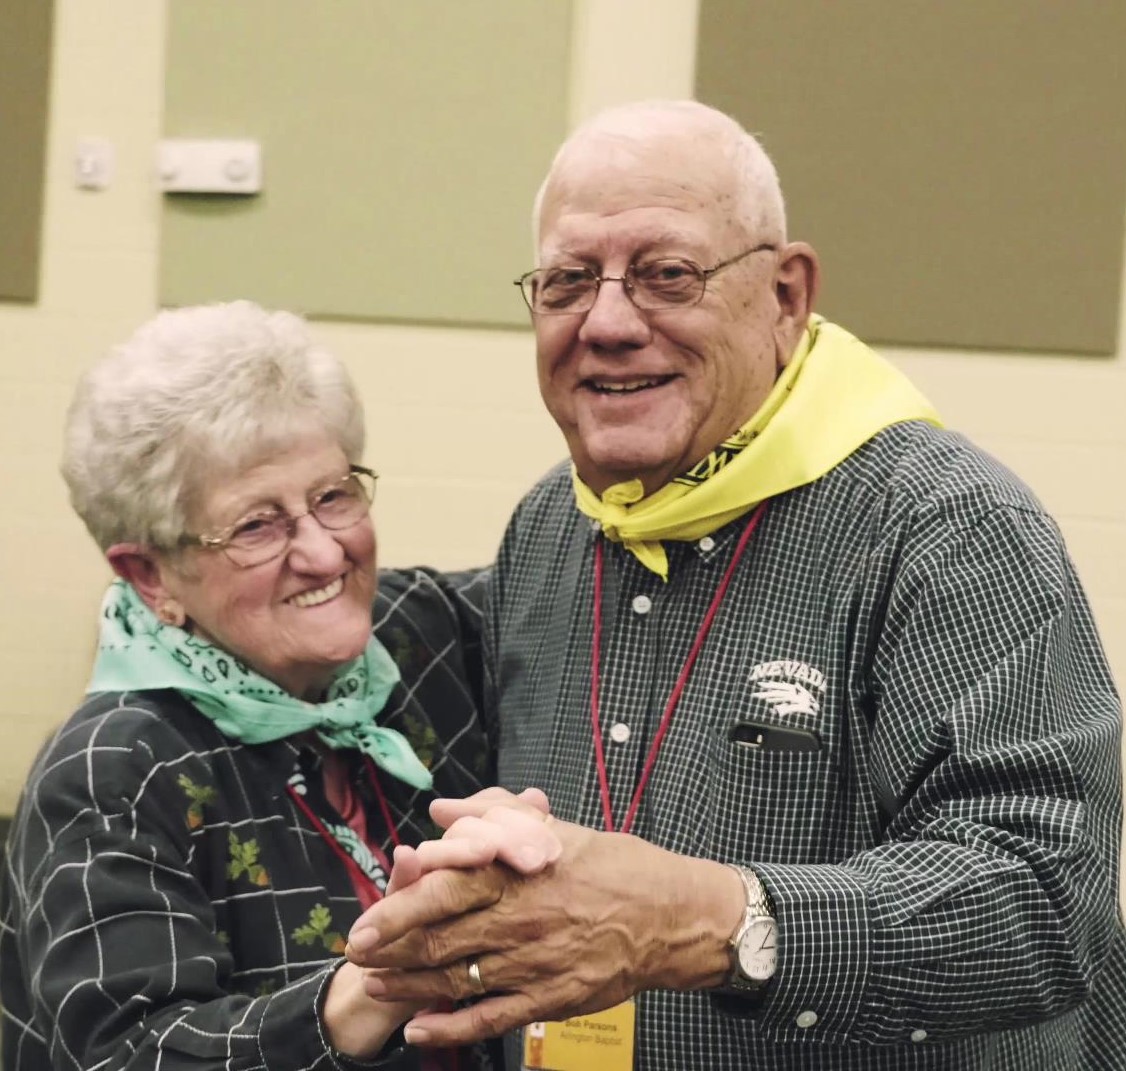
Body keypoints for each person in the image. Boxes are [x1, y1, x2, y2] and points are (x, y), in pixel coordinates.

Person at [344, 100, 1126, 1069]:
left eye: (668, 275)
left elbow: (1048, 904)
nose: (608, 323)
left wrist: (710, 921)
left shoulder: (946, 530)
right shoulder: (551, 524)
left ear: (786, 295)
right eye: (568, 282)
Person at [0, 301, 559, 1071]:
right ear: (151, 574)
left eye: (333, 495)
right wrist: (368, 992)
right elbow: (125, 1054)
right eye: (257, 526)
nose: (324, 554)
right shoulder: (113, 772)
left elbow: (580, 589)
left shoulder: (418, 635)